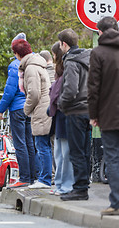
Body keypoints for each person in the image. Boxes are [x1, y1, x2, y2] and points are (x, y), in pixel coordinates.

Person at [87, 17, 119, 215]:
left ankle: (117, 203)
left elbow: (93, 87)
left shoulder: (98, 53)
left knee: (113, 158)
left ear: (100, 32)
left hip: (109, 114)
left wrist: (93, 114)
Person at [12, 39, 52, 189]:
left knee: (42, 146)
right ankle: (43, 178)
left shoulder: (30, 68)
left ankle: (44, 180)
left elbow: (33, 93)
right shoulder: (38, 64)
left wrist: (26, 109)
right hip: (45, 107)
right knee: (42, 145)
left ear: (17, 54)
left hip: (40, 109)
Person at [0, 33, 36, 188]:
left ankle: (24, 178)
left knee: (20, 144)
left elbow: (10, 90)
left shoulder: (15, 65)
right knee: (30, 143)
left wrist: (1, 109)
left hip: (18, 108)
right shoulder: (35, 61)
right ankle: (33, 177)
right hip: (31, 107)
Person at [57, 28, 91, 201]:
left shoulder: (71, 61)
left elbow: (70, 90)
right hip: (89, 109)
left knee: (76, 152)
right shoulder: (88, 58)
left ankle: (79, 189)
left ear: (64, 44)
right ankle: (84, 185)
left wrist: (61, 103)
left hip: (76, 111)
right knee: (85, 151)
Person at [48, 41, 74, 196]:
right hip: (59, 114)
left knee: (64, 152)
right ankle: (60, 184)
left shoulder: (64, 70)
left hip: (63, 113)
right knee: (59, 151)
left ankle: (64, 185)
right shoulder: (60, 70)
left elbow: (57, 93)